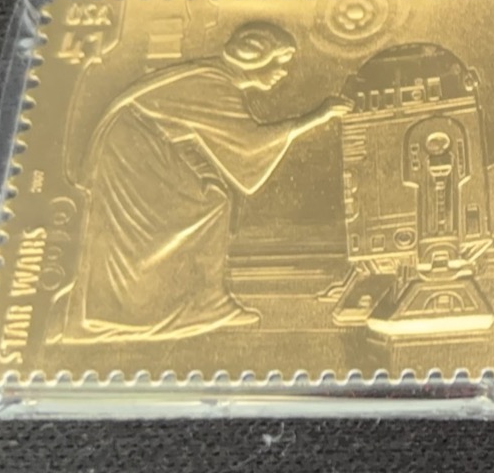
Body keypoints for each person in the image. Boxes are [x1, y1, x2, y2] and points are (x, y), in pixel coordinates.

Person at [54, 21, 350, 342]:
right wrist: (317, 116)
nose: (283, 72)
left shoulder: (214, 76)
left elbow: (192, 131)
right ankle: (166, 308)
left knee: (212, 200)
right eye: (278, 62)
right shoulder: (215, 85)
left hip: (144, 141)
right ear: (254, 56)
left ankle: (191, 303)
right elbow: (250, 143)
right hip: (132, 146)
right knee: (199, 210)